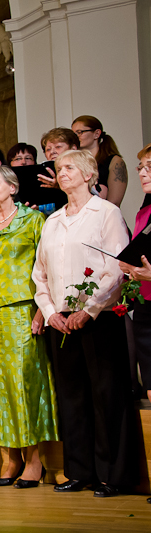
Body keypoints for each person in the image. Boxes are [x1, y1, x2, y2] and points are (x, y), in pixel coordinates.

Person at [33, 150, 138, 498]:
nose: (61, 173)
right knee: (71, 398)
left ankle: (114, 475)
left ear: (89, 173)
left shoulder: (106, 213)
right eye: (59, 168)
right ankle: (79, 471)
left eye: (69, 168)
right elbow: (40, 274)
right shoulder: (53, 220)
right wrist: (50, 312)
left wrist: (89, 309)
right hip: (61, 320)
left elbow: (117, 267)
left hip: (99, 317)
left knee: (107, 397)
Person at [0, 166, 58, 489]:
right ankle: (10, 458)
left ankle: (34, 460)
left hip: (22, 311)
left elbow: (45, 269)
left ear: (13, 187)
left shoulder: (33, 221)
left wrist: (41, 311)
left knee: (23, 383)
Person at [119, 143, 151, 405]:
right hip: (146, 308)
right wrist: (131, 269)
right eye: (141, 167)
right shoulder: (144, 212)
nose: (142, 172)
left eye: (150, 167)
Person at [72, 115, 127, 206]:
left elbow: (114, 202)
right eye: (74, 134)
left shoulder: (115, 161)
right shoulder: (73, 162)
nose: (76, 137)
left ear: (97, 134)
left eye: (80, 132)